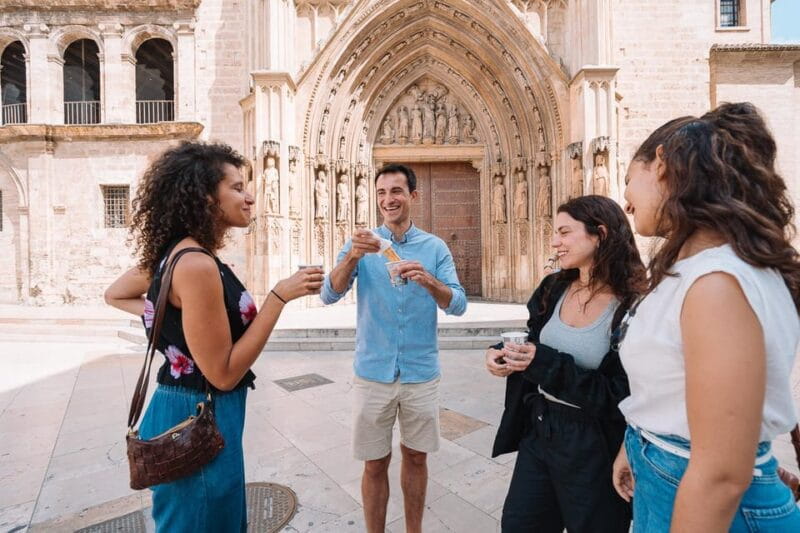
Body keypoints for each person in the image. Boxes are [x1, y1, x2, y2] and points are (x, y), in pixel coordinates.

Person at [104, 141, 323, 532]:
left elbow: (116, 294)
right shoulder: (196, 265)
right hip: (197, 418)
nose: (250, 196)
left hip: (190, 413)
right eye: (237, 187)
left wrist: (170, 316)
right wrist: (278, 297)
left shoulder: (176, 254)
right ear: (206, 197)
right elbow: (223, 373)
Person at [612, 102, 800, 532]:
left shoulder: (717, 281)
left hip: (706, 503)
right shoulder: (701, 270)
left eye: (627, 180)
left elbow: (720, 475)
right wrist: (638, 441)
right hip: (668, 479)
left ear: (661, 163)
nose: (625, 202)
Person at [320, 163, 467, 533]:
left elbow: (458, 304)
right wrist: (352, 256)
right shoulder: (362, 244)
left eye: (397, 191)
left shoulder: (434, 247)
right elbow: (329, 293)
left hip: (420, 373)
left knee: (416, 458)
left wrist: (429, 281)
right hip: (373, 373)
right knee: (374, 463)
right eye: (382, 192)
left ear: (413, 196)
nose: (389, 200)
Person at [487, 195, 646, 532]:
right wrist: (501, 351)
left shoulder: (633, 305)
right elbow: (532, 339)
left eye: (564, 232)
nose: (554, 242)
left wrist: (541, 362)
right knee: (520, 524)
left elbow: (623, 394)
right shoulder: (553, 288)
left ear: (599, 233)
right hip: (541, 426)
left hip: (596, 442)